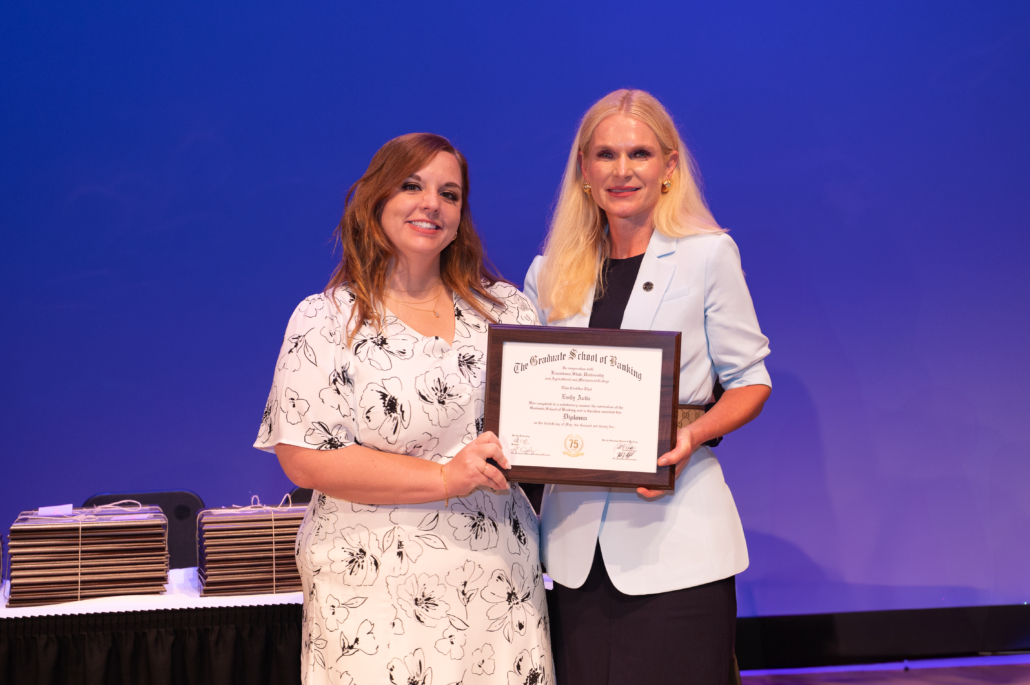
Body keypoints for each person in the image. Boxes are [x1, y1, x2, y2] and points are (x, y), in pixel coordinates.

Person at [255, 133, 552, 685]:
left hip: (499, 585)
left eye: (450, 194)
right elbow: (303, 458)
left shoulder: (506, 311)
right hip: (371, 593)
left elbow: (545, 429)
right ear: (377, 200)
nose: (431, 204)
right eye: (412, 186)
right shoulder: (326, 320)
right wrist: (444, 478)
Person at [523, 89, 771, 685]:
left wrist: (692, 439)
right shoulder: (547, 272)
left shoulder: (708, 255)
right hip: (575, 553)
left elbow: (750, 382)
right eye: (605, 155)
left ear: (669, 166)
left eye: (639, 153)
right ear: (584, 170)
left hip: (678, 546)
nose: (622, 170)